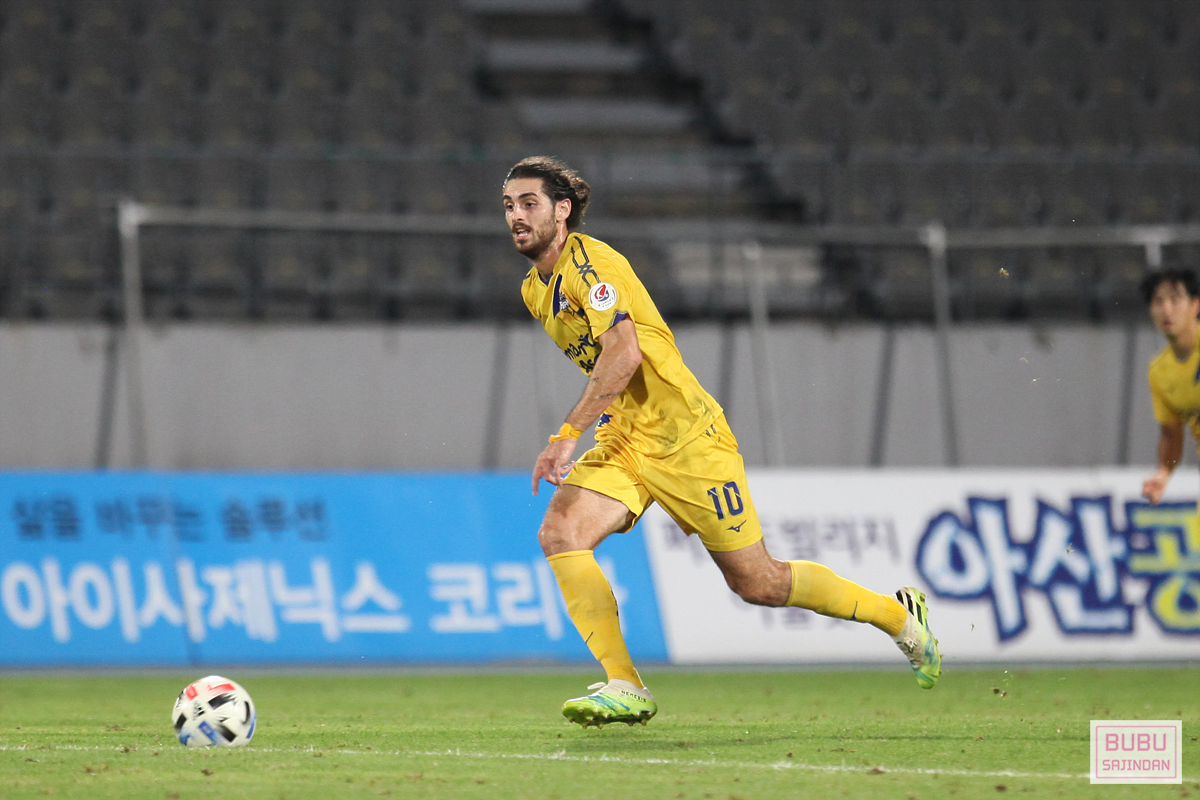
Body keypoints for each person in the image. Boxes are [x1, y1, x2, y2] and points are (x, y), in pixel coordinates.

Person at [502, 156, 941, 728]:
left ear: (562, 210)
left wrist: (566, 435)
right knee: (561, 532)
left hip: (688, 440)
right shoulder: (534, 289)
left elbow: (624, 354)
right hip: (627, 438)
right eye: (509, 206)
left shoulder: (593, 267)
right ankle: (625, 684)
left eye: (529, 203)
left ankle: (899, 618)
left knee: (759, 583)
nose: (516, 216)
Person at [1141, 268, 1200, 505]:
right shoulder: (1159, 371)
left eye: (1175, 300)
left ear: (1195, 305)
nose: (1166, 309)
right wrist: (1164, 472)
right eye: (1158, 302)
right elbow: (1172, 434)